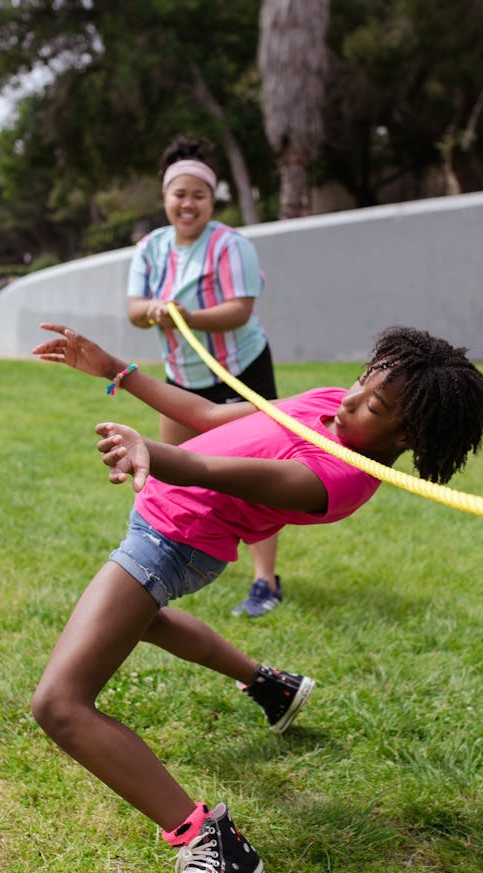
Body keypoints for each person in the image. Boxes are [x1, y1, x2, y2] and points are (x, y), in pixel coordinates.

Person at [30, 321, 483, 873]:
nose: (347, 400)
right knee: (141, 623)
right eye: (362, 382)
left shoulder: (340, 479)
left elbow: (211, 470)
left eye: (372, 406)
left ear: (407, 435)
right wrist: (114, 366)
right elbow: (212, 415)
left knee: (59, 705)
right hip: (162, 523)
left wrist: (151, 451)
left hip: (174, 545)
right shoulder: (333, 406)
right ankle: (268, 684)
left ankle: (215, 848)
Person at [127, 134, 283, 618]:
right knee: (169, 472)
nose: (188, 203)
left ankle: (266, 582)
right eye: (180, 194)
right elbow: (133, 308)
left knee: (258, 479)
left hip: (239, 374)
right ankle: (153, 566)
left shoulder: (231, 245)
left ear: (211, 200)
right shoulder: (151, 247)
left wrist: (187, 318)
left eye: (199, 195)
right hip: (182, 375)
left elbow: (240, 310)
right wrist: (153, 310)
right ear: (165, 197)